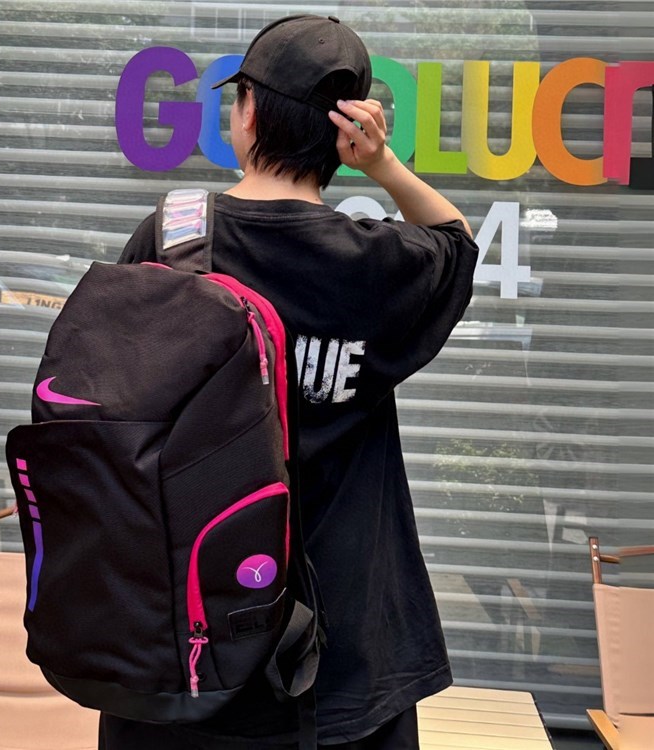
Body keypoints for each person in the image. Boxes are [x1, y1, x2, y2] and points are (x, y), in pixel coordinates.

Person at [101, 14, 478, 750]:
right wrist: (382, 166)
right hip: (341, 664)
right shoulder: (378, 263)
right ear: (344, 134)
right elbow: (456, 244)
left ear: (247, 113)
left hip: (181, 647)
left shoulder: (173, 240)